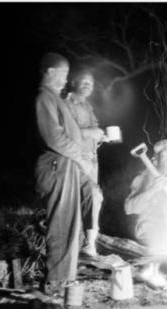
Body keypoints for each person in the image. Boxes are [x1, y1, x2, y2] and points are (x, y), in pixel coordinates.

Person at [34, 53, 99, 295]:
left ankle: (65, 279)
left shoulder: (55, 98)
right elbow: (54, 137)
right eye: (62, 74)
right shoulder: (44, 98)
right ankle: (56, 282)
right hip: (57, 166)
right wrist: (81, 157)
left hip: (68, 166)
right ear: (50, 72)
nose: (64, 79)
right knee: (61, 223)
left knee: (72, 224)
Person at [65, 70, 107, 256]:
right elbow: (63, 132)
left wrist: (101, 137)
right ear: (74, 81)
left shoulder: (87, 106)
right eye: (84, 82)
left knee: (90, 198)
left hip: (91, 158)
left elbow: (93, 130)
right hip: (76, 159)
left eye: (91, 83)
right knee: (92, 193)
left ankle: (86, 243)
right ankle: (88, 244)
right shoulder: (66, 104)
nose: (88, 85)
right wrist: (88, 133)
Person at [124, 139, 167, 283]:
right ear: (155, 161)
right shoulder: (144, 178)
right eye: (166, 155)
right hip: (150, 230)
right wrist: (153, 190)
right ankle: (153, 273)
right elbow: (129, 208)